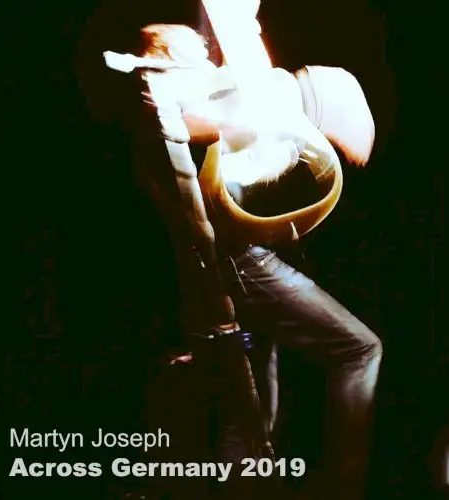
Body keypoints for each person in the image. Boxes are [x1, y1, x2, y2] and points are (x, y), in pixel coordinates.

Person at [113, 22, 382, 500]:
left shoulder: (175, 113)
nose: (207, 60)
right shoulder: (167, 113)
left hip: (225, 268)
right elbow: (229, 119)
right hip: (237, 266)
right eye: (195, 52)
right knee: (358, 349)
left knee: (250, 413)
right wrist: (277, 103)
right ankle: (345, 484)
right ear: (167, 60)